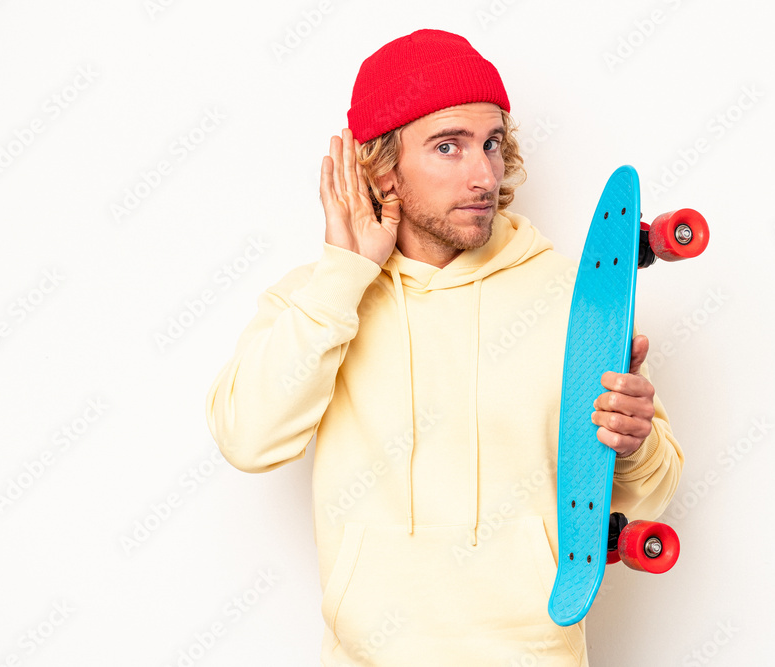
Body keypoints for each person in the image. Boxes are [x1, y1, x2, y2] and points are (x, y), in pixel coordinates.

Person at [205, 28, 683, 667]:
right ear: (380, 166)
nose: (484, 173)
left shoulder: (575, 294)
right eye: (448, 147)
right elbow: (247, 437)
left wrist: (636, 440)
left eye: (491, 144)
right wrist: (346, 274)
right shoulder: (323, 298)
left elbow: (651, 491)